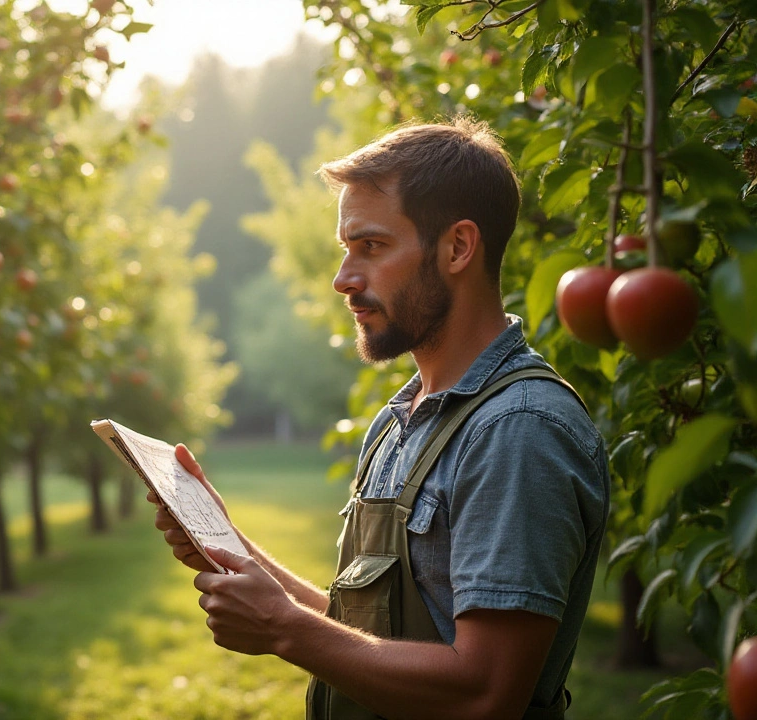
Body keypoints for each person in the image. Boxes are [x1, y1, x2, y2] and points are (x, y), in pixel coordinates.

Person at [150, 118, 609, 720]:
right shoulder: (403, 418)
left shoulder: (517, 430)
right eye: (346, 249)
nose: (344, 279)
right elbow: (370, 638)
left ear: (458, 247)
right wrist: (230, 547)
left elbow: (486, 691)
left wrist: (285, 631)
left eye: (371, 246)